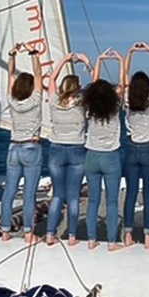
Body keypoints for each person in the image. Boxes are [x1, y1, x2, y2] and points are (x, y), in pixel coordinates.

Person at [45, 52, 93, 246]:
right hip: (77, 150)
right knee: (73, 197)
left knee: (58, 195)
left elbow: (51, 79)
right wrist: (87, 63)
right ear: (79, 88)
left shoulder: (55, 103)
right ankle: (72, 235)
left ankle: (50, 233)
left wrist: (64, 60)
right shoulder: (82, 104)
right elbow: (96, 84)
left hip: (56, 149)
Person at [0, 42, 43, 243]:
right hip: (31, 147)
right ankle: (28, 233)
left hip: (13, 147)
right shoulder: (35, 99)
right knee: (29, 193)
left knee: (9, 191)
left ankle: (5, 231)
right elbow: (39, 74)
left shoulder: (12, 100)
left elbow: (10, 75)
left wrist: (12, 55)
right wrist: (33, 53)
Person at [83, 48, 125, 251]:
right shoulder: (115, 107)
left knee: (93, 200)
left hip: (91, 156)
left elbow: (94, 85)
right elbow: (123, 85)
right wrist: (120, 60)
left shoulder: (89, 108)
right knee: (112, 201)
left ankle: (91, 239)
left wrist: (98, 61)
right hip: (110, 157)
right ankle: (111, 242)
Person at [122, 42, 149, 249]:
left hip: (131, 149)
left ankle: (128, 235)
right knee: (148, 194)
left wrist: (129, 53)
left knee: (131, 192)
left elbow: (124, 74)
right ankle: (148, 237)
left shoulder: (127, 100)